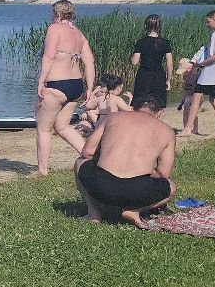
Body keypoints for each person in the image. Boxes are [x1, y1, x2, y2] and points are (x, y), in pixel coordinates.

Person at [75, 93, 177, 225]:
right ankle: (134, 210)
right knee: (171, 187)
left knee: (80, 162)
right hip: (137, 191)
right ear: (160, 113)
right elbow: (164, 173)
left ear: (132, 108)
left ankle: (93, 214)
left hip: (102, 185)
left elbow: (87, 152)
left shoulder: (112, 117)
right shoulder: (167, 131)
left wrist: (103, 161)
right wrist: (149, 172)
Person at [33, 0, 94, 174]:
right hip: (76, 85)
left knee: (43, 128)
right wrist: (89, 88)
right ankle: (90, 157)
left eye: (53, 14)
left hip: (56, 84)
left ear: (57, 14)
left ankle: (42, 170)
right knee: (62, 126)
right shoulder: (79, 34)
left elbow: (49, 56)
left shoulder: (54, 29)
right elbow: (89, 61)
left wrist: (40, 81)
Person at [182, 10, 215, 138]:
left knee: (196, 97)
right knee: (213, 99)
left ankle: (188, 128)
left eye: (209, 21)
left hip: (211, 73)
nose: (207, 24)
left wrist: (201, 64)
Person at [129, 13, 175, 120]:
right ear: (159, 26)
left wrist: (131, 56)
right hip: (159, 74)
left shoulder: (141, 42)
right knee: (157, 101)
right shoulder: (165, 43)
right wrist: (168, 80)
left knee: (141, 100)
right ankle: (156, 121)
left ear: (146, 26)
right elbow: (170, 64)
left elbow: (134, 62)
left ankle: (140, 121)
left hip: (144, 74)